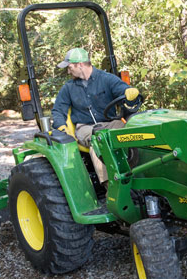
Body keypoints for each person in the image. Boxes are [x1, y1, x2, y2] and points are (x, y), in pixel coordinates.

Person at [51, 47, 139, 184]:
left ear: (80, 65)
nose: (68, 71)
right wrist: (61, 127)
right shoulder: (68, 88)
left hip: (110, 122)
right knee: (99, 138)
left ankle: (139, 174)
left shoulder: (107, 79)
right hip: (85, 128)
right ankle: (110, 186)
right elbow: (58, 110)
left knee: (136, 129)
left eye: (69, 67)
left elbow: (124, 91)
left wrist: (130, 94)